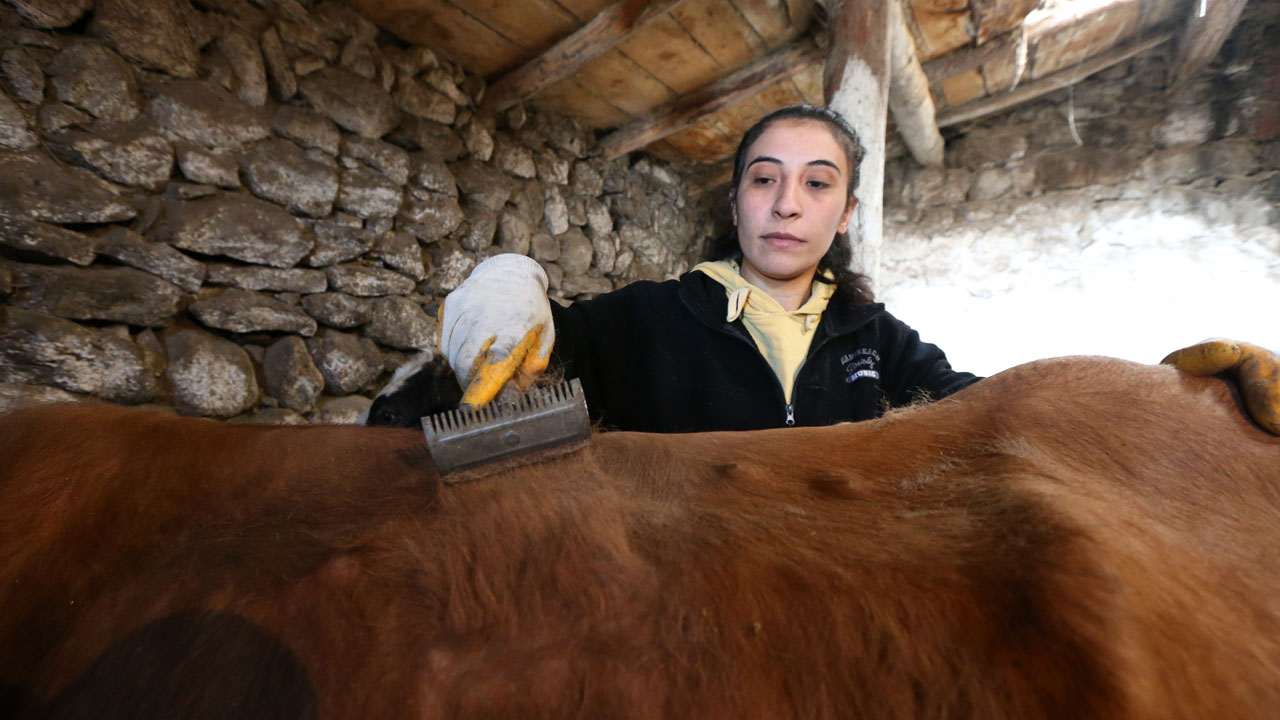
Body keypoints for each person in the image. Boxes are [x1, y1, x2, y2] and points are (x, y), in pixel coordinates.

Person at [434, 105, 1280, 436]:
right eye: (763, 180)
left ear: (843, 215)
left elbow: (994, 408)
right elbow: (513, 373)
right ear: (735, 205)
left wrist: (1161, 401)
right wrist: (507, 285)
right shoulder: (652, 316)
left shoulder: (877, 339)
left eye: (817, 183)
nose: (786, 204)